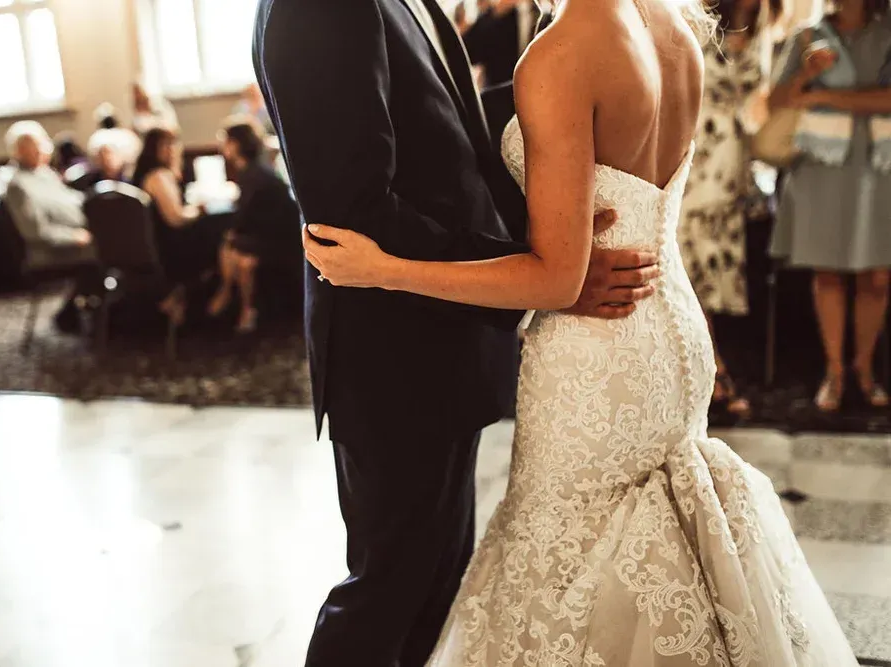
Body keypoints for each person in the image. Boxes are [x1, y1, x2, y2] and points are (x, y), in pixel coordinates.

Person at [299, 0, 860, 663]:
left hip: (595, 361)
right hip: (667, 324)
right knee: (660, 545)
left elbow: (558, 280)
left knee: (570, 568)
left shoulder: (563, 52)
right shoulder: (673, 29)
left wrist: (388, 269)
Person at [254, 0, 673, 664]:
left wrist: (552, 233)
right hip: (393, 356)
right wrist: (540, 272)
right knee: (385, 590)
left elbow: (451, 145)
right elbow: (353, 215)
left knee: (438, 586)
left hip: (442, 342)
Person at [769, 0, 891, 411]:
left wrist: (827, 98)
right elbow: (777, 102)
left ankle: (864, 369)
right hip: (821, 168)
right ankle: (835, 373)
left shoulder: (888, 30)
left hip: (881, 166)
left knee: (877, 275)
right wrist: (808, 75)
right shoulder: (807, 34)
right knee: (828, 272)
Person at [679, 0, 789, 417]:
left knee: (706, 276)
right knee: (690, 275)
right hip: (694, 164)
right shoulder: (700, 28)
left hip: (731, 173)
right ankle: (714, 373)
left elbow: (756, 113)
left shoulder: (763, 39)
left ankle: (707, 375)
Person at [207, 117, 299, 332]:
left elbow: (248, 217)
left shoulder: (253, 174)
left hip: (279, 241)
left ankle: (234, 298)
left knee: (233, 248)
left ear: (236, 144)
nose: (223, 147)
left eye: (226, 141)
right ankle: (237, 301)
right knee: (232, 247)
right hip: (277, 235)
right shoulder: (256, 170)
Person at [3, 121, 96, 333]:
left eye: (40, 144)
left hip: (79, 238)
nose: (39, 150)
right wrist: (74, 236)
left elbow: (73, 200)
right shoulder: (18, 184)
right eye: (31, 146)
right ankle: (78, 313)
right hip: (49, 251)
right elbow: (36, 232)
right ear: (18, 151)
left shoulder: (45, 173)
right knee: (106, 254)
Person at [132, 128, 224, 323]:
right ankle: (217, 304)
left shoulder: (148, 174)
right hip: (170, 248)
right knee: (222, 234)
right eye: (168, 145)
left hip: (157, 243)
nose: (173, 150)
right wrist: (199, 209)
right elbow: (176, 218)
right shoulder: (158, 176)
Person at [456, 0, 540, 88]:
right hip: (500, 95)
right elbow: (465, 52)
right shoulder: (499, 15)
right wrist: (494, 12)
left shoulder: (544, 13)